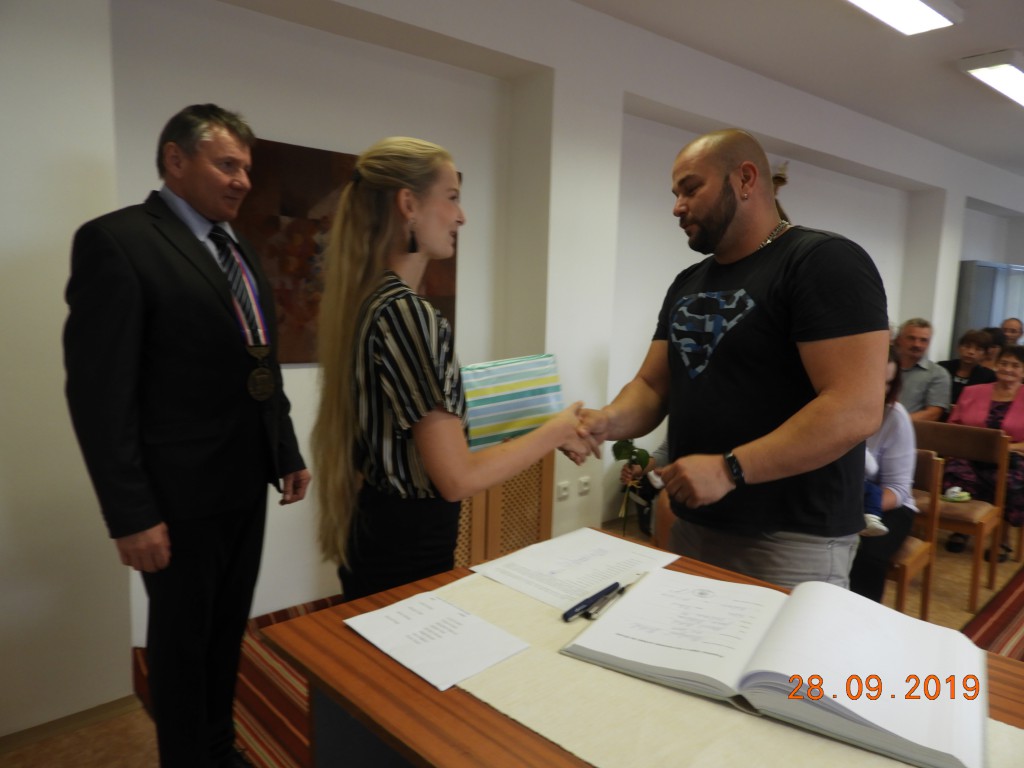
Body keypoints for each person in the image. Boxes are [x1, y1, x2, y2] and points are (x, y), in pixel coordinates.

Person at [63, 104, 311, 768]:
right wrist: (130, 514)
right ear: (175, 160)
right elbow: (98, 394)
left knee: (226, 632)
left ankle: (217, 747)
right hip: (175, 499)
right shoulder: (117, 242)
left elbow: (260, 362)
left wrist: (284, 448)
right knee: (181, 643)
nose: (242, 181)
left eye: (246, 169)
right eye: (227, 164)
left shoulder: (238, 248)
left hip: (244, 482)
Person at [574, 128, 890, 589]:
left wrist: (730, 468)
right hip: (696, 521)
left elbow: (855, 408)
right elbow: (653, 387)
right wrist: (607, 421)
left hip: (789, 538)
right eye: (675, 194)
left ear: (745, 179)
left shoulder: (822, 261)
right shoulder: (688, 282)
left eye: (690, 189)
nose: (677, 207)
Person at [312, 137, 588, 601]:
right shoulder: (407, 313)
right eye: (453, 197)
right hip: (407, 546)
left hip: (379, 531)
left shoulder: (367, 302)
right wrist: (557, 429)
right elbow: (456, 477)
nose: (462, 217)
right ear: (408, 205)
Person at [849, 348, 918, 602]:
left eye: (888, 384)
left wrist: (859, 511)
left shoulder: (896, 417)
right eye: (876, 381)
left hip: (887, 505)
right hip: (845, 497)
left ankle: (864, 617)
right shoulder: (834, 409)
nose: (881, 391)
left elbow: (898, 490)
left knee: (869, 556)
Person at [944, 345, 1024, 561]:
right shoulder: (972, 392)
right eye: (1004, 363)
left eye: (1015, 365)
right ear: (996, 365)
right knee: (957, 474)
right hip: (971, 453)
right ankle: (961, 527)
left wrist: (1006, 447)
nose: (1008, 369)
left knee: (1011, 483)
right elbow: (953, 426)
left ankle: (1002, 538)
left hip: (1013, 457)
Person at [894, 318, 951, 422]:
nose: (917, 344)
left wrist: (894, 423)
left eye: (923, 340)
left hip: (912, 429)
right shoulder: (884, 367)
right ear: (898, 339)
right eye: (911, 338)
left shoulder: (938, 374)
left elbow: (933, 414)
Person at [938, 329, 996, 409]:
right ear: (958, 348)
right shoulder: (942, 367)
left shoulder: (989, 377)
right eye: (967, 346)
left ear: (985, 355)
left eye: (978, 349)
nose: (971, 352)